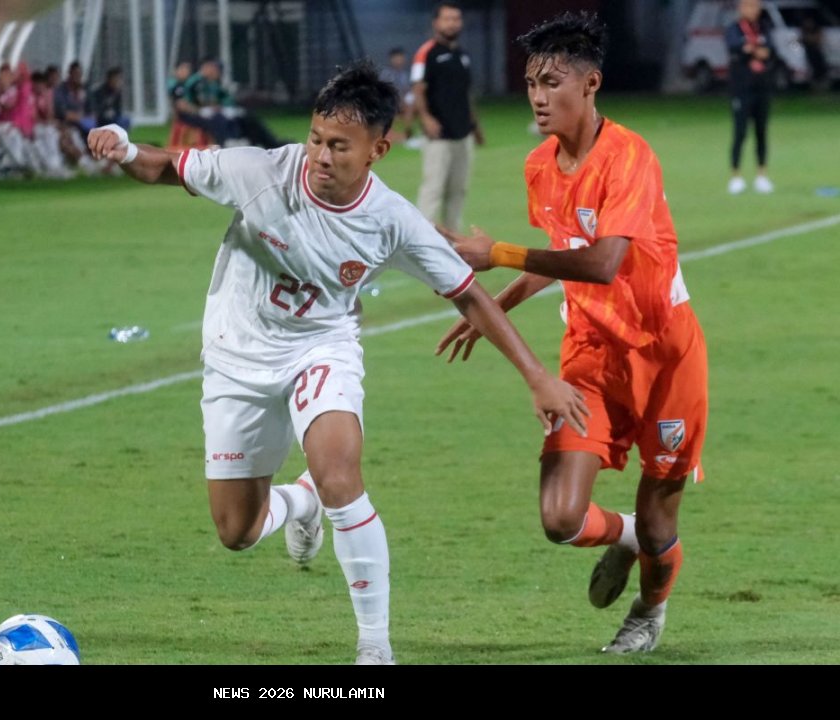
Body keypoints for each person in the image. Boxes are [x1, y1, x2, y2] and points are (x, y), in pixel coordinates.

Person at [86, 60, 588, 665]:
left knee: (342, 477)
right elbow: (164, 165)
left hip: (320, 349)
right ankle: (301, 502)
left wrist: (537, 377)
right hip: (236, 357)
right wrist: (121, 148)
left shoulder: (392, 221)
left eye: (339, 146)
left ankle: (375, 649)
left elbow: (470, 295)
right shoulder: (263, 172)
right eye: (316, 139)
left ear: (378, 149)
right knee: (237, 532)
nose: (321, 157)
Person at [436, 11, 708, 655]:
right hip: (589, 353)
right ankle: (628, 538)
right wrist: (496, 305)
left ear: (590, 84)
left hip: (666, 355)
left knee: (662, 518)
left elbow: (603, 262)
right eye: (531, 82)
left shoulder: (629, 156)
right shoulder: (539, 165)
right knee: (560, 519)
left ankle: (647, 610)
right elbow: (565, 249)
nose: (537, 96)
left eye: (552, 82)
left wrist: (497, 254)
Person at [411, 2, 485, 231]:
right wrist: (426, 118)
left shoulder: (462, 55)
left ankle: (453, 240)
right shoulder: (427, 53)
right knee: (433, 188)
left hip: (462, 132)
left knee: (458, 190)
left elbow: (466, 93)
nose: (452, 23)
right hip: (439, 134)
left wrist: (475, 125)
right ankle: (422, 238)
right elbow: (417, 89)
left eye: (456, 19)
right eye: (447, 19)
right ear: (436, 23)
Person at [176, 58, 285, 149]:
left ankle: (268, 143)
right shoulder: (194, 82)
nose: (217, 71)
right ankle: (228, 142)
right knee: (218, 118)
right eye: (214, 68)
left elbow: (226, 100)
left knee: (245, 116)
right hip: (195, 113)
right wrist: (201, 110)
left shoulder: (214, 84)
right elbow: (184, 104)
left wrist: (222, 107)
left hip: (214, 111)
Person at [726, 0, 774, 195]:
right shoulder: (734, 29)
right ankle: (736, 176)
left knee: (761, 132)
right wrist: (755, 50)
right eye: (748, 6)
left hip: (762, 88)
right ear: (741, 8)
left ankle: (762, 175)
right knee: (740, 133)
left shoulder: (764, 27)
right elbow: (736, 48)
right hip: (741, 90)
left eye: (755, 6)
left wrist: (751, 49)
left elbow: (769, 51)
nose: (752, 10)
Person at [378, 48, 418, 147]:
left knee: (411, 105)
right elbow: (382, 92)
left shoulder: (405, 74)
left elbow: (407, 91)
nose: (399, 60)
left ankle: (408, 134)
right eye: (396, 58)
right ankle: (402, 138)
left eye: (401, 58)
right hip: (388, 103)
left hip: (401, 103)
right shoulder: (386, 74)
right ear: (391, 59)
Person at [90, 66, 130, 130]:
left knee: (125, 120)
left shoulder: (117, 93)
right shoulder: (99, 92)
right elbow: (96, 109)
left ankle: (120, 135)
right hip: (101, 119)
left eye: (119, 79)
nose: (118, 81)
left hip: (113, 118)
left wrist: (113, 113)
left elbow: (118, 110)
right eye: (116, 79)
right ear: (109, 79)